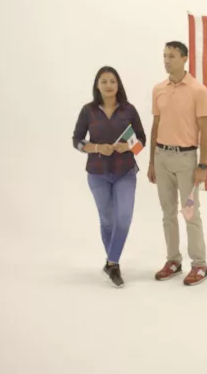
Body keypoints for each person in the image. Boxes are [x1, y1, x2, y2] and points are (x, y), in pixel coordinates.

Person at [72, 66, 146, 288]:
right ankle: (113, 265)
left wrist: (127, 146)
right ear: (97, 85)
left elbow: (142, 140)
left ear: (118, 84)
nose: (108, 85)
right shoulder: (88, 111)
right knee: (107, 220)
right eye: (104, 81)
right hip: (97, 174)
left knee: (123, 218)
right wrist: (95, 147)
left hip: (125, 172)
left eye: (112, 81)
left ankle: (111, 262)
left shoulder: (129, 110)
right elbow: (76, 140)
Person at [148, 41, 207, 286]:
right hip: (162, 157)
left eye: (172, 56)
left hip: (187, 159)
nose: (166, 60)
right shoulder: (159, 90)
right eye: (164, 56)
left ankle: (199, 264)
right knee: (167, 213)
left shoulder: (198, 90)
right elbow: (156, 125)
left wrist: (202, 165)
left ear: (184, 58)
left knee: (190, 213)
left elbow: (205, 131)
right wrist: (152, 162)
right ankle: (173, 260)